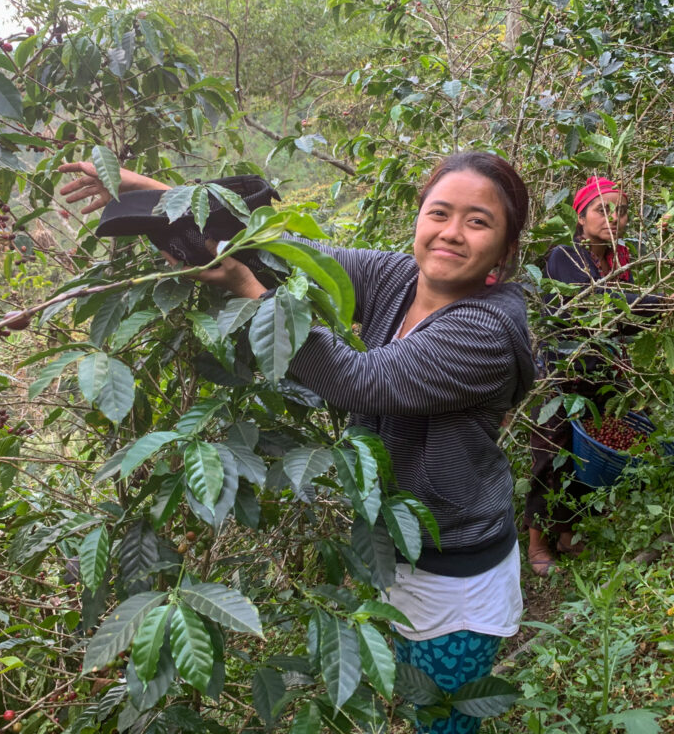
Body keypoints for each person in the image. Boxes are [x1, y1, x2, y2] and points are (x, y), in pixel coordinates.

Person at [59, 152, 536, 733]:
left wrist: (249, 291)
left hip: (455, 569)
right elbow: (294, 256)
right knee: (406, 691)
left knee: (441, 719)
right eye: (440, 213)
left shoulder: (483, 332)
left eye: (478, 221)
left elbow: (360, 380)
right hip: (393, 545)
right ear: (419, 219)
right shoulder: (399, 278)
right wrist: (159, 193)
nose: (452, 233)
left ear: (506, 249)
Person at [524, 176, 661, 576]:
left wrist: (652, 310)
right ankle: (536, 542)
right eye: (603, 209)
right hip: (560, 377)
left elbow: (624, 321)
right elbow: (596, 305)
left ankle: (567, 534)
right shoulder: (564, 255)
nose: (614, 218)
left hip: (602, 377)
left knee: (585, 460)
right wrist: (659, 302)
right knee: (550, 457)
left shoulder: (620, 262)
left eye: (620, 210)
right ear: (581, 218)